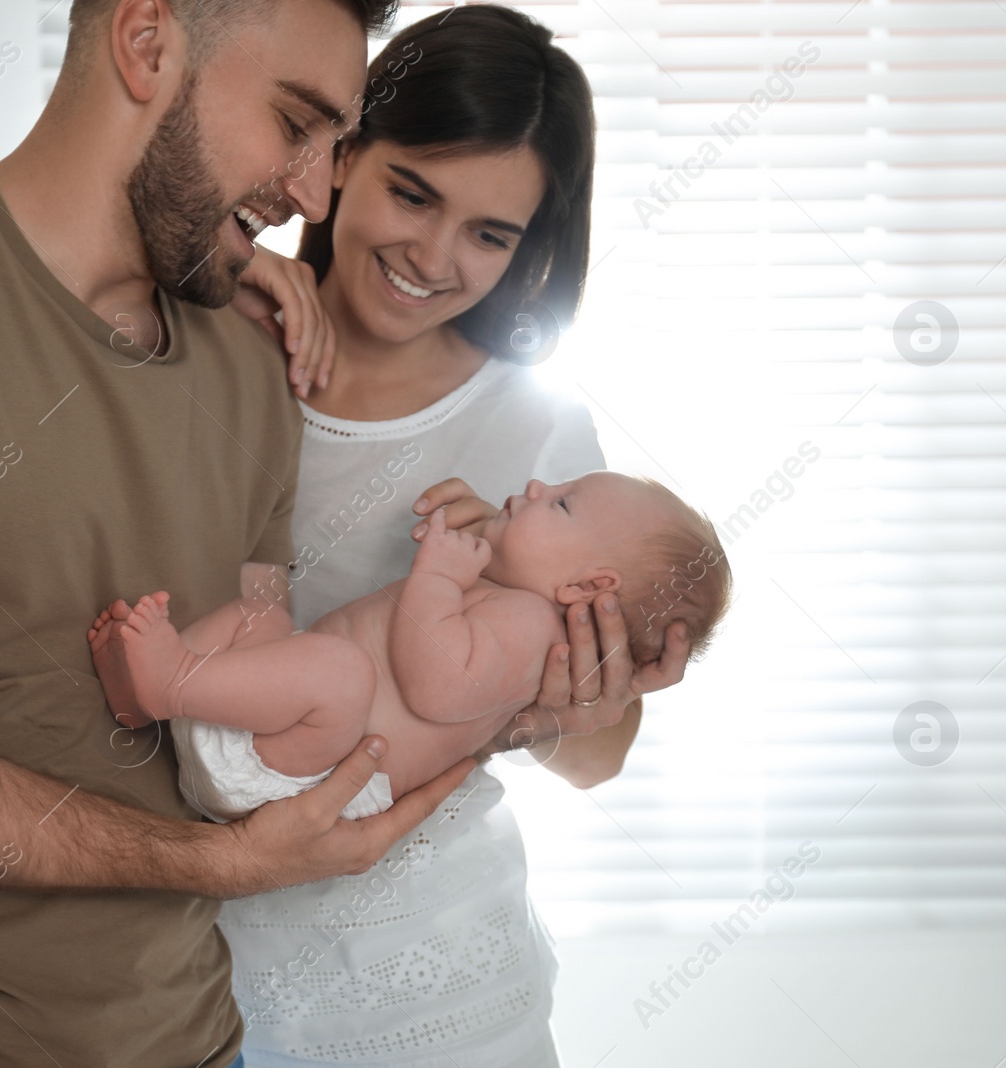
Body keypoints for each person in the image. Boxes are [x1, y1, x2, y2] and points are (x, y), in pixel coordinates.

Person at [0, 0, 478, 1066]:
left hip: (190, 1042)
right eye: (295, 123)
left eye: (333, 146)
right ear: (146, 42)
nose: (311, 194)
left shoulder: (256, 364)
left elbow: (244, 738)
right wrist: (210, 866)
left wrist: (501, 668)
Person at [211, 7, 694, 1065]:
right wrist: (211, 277)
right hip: (195, 982)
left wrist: (574, 707)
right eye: (411, 193)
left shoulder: (537, 433)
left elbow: (595, 761)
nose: (431, 257)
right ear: (339, 156)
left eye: (491, 234)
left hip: (437, 989)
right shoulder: (210, 345)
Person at [89, 473, 729, 821]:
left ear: (589, 586)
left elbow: (437, 686)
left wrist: (438, 578)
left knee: (340, 671)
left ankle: (170, 682)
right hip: (268, 737)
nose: (535, 485)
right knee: (263, 619)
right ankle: (151, 693)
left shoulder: (533, 630)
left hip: (306, 780)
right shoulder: (500, 594)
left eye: (561, 503)